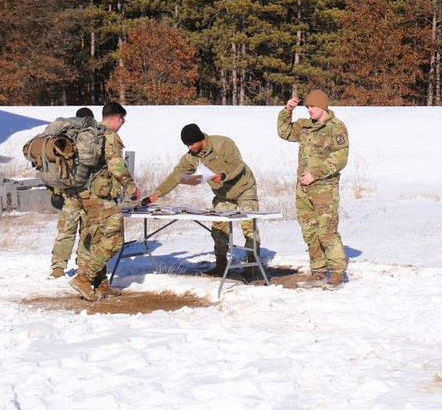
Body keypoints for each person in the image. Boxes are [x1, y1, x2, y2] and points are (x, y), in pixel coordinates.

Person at [142, 124, 261, 278]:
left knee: (249, 227)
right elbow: (176, 175)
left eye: (191, 144)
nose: (189, 148)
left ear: (200, 139)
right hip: (223, 194)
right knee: (218, 229)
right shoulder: (191, 157)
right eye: (186, 145)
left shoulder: (223, 143)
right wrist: (156, 194)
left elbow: (237, 164)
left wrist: (223, 175)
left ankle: (252, 267)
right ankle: (220, 266)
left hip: (244, 188)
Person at [277, 89, 349, 290]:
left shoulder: (336, 128)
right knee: (309, 232)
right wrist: (287, 110)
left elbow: (340, 158)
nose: (309, 110)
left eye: (312, 107)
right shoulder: (305, 125)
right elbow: (284, 132)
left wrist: (315, 174)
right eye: (307, 106)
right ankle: (318, 271)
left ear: (323, 107)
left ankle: (336, 274)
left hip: (324, 189)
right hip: (303, 189)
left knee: (326, 232)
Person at [69, 101, 141, 301]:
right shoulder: (109, 136)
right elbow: (115, 164)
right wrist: (131, 187)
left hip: (82, 196)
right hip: (99, 197)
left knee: (93, 239)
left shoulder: (89, 133)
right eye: (122, 121)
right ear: (117, 118)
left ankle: (100, 284)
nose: (121, 124)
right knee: (115, 237)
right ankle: (84, 278)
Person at [48, 107, 94, 279]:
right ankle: (83, 266)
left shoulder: (63, 138)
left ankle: (57, 269)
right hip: (88, 194)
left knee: (66, 232)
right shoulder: (92, 137)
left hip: (67, 194)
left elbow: (54, 167)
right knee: (87, 232)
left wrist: (54, 192)